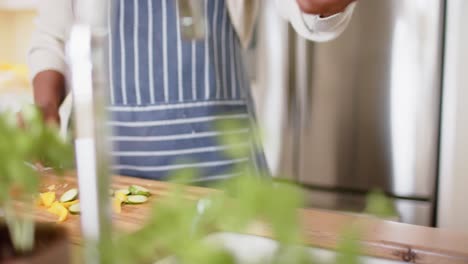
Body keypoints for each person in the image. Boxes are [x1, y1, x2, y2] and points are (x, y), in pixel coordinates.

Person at [29, 0, 356, 182]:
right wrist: (45, 110)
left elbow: (308, 9)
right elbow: (52, 37)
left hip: (223, 178)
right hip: (103, 180)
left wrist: (321, 7)